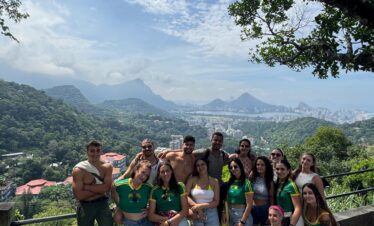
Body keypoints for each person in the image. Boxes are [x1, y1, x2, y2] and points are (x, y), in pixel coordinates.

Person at [72, 140, 113, 226]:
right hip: (86, 206)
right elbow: (79, 195)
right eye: (92, 151)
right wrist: (100, 189)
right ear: (87, 152)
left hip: (102, 204)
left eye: (98, 150)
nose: (95, 153)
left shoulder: (107, 167)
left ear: (101, 152)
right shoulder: (79, 170)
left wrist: (87, 187)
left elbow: (106, 188)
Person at [112, 160, 153, 226]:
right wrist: (118, 206)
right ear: (136, 170)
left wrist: (150, 210)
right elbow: (112, 187)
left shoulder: (148, 187)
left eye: (147, 175)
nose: (144, 177)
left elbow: (157, 198)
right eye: (142, 172)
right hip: (128, 222)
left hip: (145, 222)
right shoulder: (121, 185)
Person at [149, 162, 189, 226]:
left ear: (171, 171)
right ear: (159, 174)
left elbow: (185, 210)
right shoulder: (155, 190)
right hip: (162, 221)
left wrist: (171, 221)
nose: (165, 174)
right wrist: (168, 221)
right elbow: (151, 216)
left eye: (167, 170)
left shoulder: (180, 186)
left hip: (179, 219)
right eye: (162, 172)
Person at [293, 153, 325, 226]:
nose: (305, 161)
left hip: (310, 206)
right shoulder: (296, 173)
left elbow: (321, 196)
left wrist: (322, 210)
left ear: (312, 163)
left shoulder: (315, 177)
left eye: (308, 160)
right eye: (303, 159)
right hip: (298, 205)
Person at [186, 158, 220, 226]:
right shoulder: (192, 180)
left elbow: (216, 202)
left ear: (207, 165)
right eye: (198, 165)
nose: (200, 167)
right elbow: (185, 195)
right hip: (196, 212)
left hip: (211, 212)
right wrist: (196, 207)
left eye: (202, 164)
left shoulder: (214, 181)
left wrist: (200, 206)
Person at [222, 158, 254, 226]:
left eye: (235, 166)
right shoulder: (230, 182)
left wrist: (242, 222)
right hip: (230, 214)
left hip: (241, 215)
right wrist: (224, 212)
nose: (233, 169)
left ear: (240, 167)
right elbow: (226, 199)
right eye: (231, 167)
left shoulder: (247, 183)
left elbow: (249, 205)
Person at [274, 159, 301, 226]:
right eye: (277, 169)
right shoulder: (278, 183)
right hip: (278, 218)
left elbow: (298, 208)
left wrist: (292, 224)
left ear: (288, 171)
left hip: (288, 219)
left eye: (283, 169)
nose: (279, 171)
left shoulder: (291, 185)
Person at [250, 156, 274, 226]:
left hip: (264, 209)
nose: (259, 167)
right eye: (258, 164)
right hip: (252, 208)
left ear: (267, 166)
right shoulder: (252, 178)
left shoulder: (269, 181)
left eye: (262, 165)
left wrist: (271, 213)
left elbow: (271, 198)